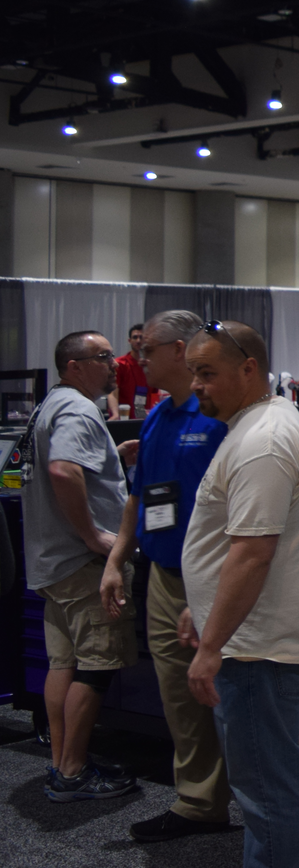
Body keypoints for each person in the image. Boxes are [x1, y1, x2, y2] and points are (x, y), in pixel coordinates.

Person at [179, 319, 299, 868]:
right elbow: (230, 545)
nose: (196, 385)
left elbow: (252, 554)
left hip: (256, 645)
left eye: (207, 373)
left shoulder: (262, 442)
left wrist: (212, 643)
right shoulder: (262, 424)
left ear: (249, 369)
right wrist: (201, 606)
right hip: (256, 634)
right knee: (277, 766)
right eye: (193, 372)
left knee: (263, 781)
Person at [102, 310, 234, 840]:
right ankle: (200, 802)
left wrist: (208, 590)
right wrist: (116, 560)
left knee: (240, 698)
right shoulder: (157, 416)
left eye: (148, 349)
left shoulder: (221, 418)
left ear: (180, 349)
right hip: (161, 573)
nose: (139, 359)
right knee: (180, 696)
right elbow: (140, 495)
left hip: (215, 577)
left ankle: (290, 817)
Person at [24, 330, 138, 801]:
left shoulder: (48, 405)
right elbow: (61, 470)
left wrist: (111, 457)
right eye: (103, 356)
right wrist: (94, 536)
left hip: (52, 562)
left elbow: (38, 468)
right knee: (95, 667)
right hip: (82, 562)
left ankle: (61, 763)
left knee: (63, 664)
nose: (114, 364)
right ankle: (72, 772)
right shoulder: (77, 408)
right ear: (74, 366)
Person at [116, 322, 157, 418]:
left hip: (147, 418)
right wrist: (115, 413)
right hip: (125, 418)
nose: (138, 341)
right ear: (129, 340)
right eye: (135, 337)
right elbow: (113, 392)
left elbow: (156, 393)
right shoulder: (120, 364)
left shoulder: (153, 365)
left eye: (141, 337)